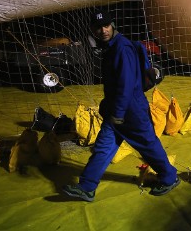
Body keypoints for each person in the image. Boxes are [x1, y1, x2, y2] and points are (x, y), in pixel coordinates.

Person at [62, 10, 180, 201]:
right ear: (92, 30)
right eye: (98, 27)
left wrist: (117, 113)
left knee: (147, 145)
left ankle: (169, 178)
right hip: (117, 110)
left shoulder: (122, 48)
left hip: (130, 110)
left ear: (112, 25)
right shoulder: (111, 47)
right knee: (103, 147)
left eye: (106, 26)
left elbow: (126, 85)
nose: (103, 30)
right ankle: (87, 187)